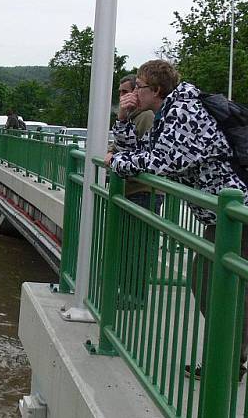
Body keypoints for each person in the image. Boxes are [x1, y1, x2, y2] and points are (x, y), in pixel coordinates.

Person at [105, 59, 248, 377]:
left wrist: (117, 163)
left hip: (237, 213)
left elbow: (160, 162)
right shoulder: (168, 111)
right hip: (223, 214)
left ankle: (225, 364)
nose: (134, 93)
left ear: (155, 89)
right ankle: (229, 358)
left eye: (138, 87)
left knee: (211, 282)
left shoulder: (184, 111)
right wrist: (123, 119)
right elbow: (141, 149)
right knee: (212, 281)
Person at [109, 74, 164, 212]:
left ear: (136, 92)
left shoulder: (146, 116)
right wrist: (112, 151)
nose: (121, 96)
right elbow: (123, 146)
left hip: (144, 191)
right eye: (120, 92)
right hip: (132, 189)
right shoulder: (131, 115)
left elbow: (142, 152)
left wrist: (115, 157)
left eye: (125, 92)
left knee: (136, 233)